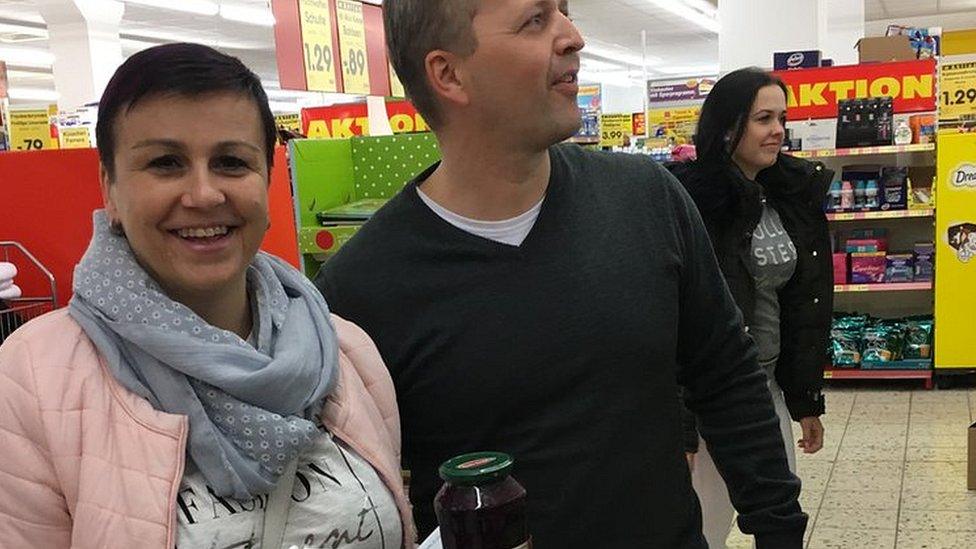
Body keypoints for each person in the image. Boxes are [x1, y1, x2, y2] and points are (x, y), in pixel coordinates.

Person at [316, 1, 806, 547]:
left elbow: (726, 377)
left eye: (564, 13)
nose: (574, 36)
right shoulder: (358, 290)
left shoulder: (647, 198)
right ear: (449, 73)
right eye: (535, 20)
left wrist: (778, 527)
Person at [0, 43, 413, 549]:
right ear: (110, 189)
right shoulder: (32, 379)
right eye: (166, 163)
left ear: (266, 177)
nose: (203, 194)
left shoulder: (345, 352)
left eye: (231, 162)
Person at [668, 67, 832, 549]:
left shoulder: (792, 197)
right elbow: (675, 319)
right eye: (763, 118)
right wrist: (680, 426)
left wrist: (805, 400)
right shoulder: (689, 202)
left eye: (782, 117)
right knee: (703, 528)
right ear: (726, 127)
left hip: (767, 388)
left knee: (779, 518)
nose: (778, 130)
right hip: (708, 396)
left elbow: (804, 304)